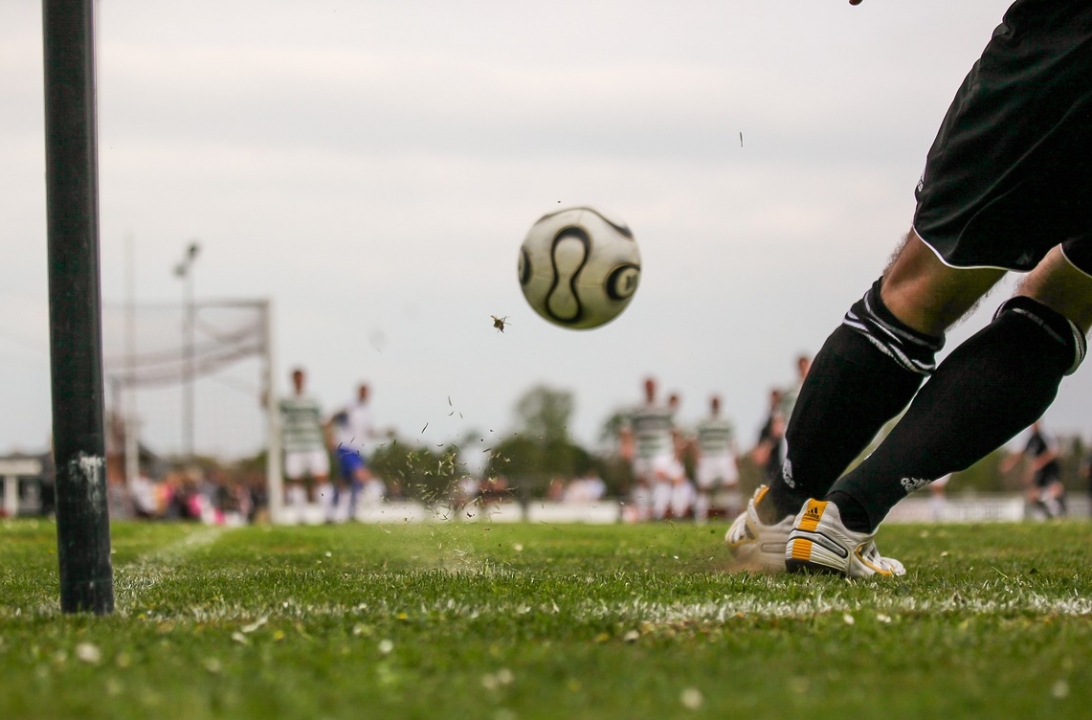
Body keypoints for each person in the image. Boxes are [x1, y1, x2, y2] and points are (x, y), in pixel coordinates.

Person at [729, 0, 1092, 577]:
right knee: (1068, 299)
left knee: (918, 290)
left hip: (1068, 42)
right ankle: (843, 519)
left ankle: (786, 513)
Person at [619, 377, 676, 521]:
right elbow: (627, 429)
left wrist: (675, 449)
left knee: (660, 477)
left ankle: (658, 513)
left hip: (661, 449)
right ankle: (643, 515)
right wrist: (626, 446)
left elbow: (674, 429)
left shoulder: (664, 408)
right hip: (642, 450)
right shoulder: (637, 408)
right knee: (642, 481)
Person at [279, 367, 330, 522]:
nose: (299, 381)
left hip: (314, 445)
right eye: (296, 378)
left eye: (301, 378)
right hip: (294, 447)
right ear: (292, 380)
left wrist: (330, 439)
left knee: (321, 477)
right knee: (296, 480)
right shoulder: (286, 401)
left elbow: (323, 421)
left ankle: (327, 515)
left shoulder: (313, 400)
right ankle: (300, 517)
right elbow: (270, 409)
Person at [329, 383, 377, 523]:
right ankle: (353, 510)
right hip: (345, 447)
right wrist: (330, 438)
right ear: (358, 392)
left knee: (344, 482)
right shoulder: (349, 407)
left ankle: (334, 512)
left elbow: (368, 432)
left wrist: (384, 433)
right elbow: (331, 419)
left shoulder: (367, 412)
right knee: (361, 475)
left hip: (358, 449)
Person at [1002, 420, 1066, 519]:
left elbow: (1054, 451)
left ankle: (1062, 513)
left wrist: (1040, 462)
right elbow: (1022, 453)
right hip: (1040, 472)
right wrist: (1010, 462)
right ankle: (1048, 515)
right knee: (1032, 496)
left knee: (1056, 490)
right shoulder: (1031, 439)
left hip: (1050, 469)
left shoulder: (1045, 435)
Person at [694, 395, 740, 522]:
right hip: (707, 456)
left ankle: (733, 516)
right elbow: (697, 440)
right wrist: (697, 456)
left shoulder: (726, 421)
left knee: (731, 485)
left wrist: (735, 456)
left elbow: (732, 440)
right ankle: (700, 518)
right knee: (703, 487)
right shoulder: (703, 421)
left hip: (724, 456)